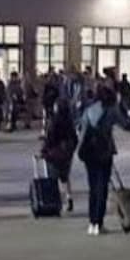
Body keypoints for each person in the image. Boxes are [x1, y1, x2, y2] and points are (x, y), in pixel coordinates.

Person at [76, 82, 121, 236]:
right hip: (105, 152)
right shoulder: (111, 111)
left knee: (93, 188)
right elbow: (124, 122)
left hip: (90, 153)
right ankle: (99, 223)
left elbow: (80, 128)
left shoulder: (89, 111)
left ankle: (91, 222)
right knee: (102, 189)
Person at [39, 84, 77, 214]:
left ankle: (55, 202)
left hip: (54, 154)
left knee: (53, 178)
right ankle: (69, 197)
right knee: (65, 177)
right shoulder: (69, 121)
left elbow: (50, 139)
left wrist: (43, 151)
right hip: (67, 154)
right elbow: (75, 138)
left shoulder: (54, 122)